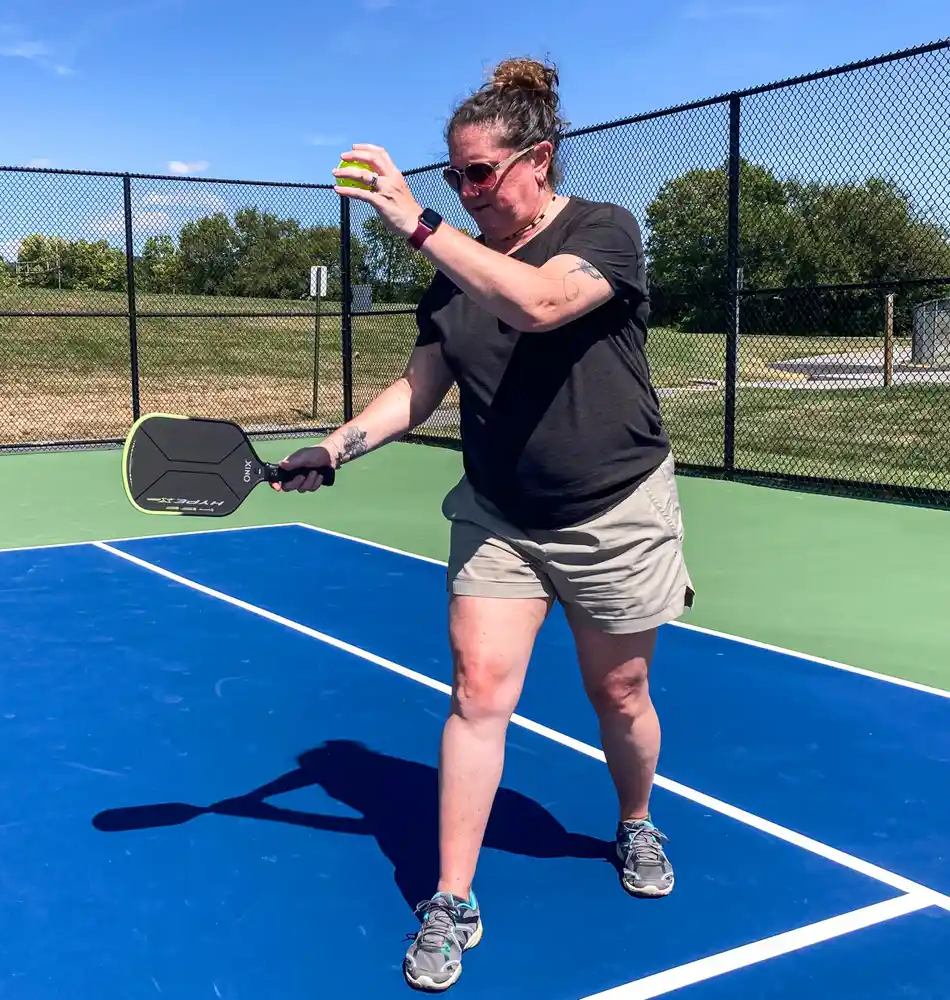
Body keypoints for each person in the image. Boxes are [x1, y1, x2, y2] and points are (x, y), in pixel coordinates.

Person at [273, 57, 695, 992]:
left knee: (619, 696)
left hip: (614, 509)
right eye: (451, 176)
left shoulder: (603, 232)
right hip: (500, 513)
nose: (462, 193)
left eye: (478, 174)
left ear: (537, 159)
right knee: (476, 692)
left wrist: (414, 222)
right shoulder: (452, 273)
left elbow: (540, 304)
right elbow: (420, 391)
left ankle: (634, 821)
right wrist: (335, 447)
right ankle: (452, 898)